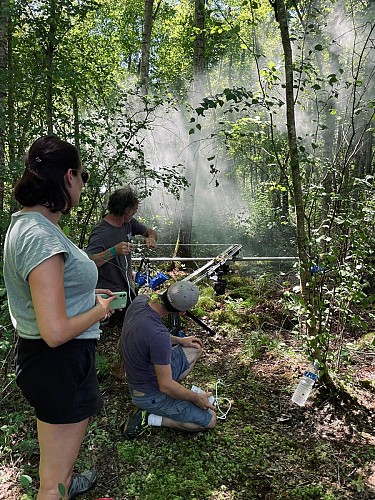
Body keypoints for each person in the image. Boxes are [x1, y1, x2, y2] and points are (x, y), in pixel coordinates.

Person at [3, 136, 116, 499]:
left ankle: (63, 485)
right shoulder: (40, 236)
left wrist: (87, 298)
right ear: (69, 176)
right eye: (82, 176)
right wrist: (100, 310)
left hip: (49, 363)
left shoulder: (28, 225)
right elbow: (54, 332)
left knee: (56, 468)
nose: (83, 185)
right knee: (53, 482)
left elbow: (53, 299)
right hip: (59, 363)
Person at [120, 281, 217, 438]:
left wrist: (180, 341)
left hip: (138, 372)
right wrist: (196, 398)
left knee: (195, 348)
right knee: (210, 421)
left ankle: (174, 393)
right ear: (181, 312)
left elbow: (147, 337)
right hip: (147, 394)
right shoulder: (159, 336)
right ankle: (149, 417)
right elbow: (165, 386)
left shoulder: (140, 301)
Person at [86, 187, 158, 326]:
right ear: (126, 211)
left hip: (127, 288)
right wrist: (113, 251)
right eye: (134, 210)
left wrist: (151, 237)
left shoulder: (129, 223)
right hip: (110, 293)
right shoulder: (101, 232)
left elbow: (151, 232)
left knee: (137, 322)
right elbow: (89, 263)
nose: (135, 212)